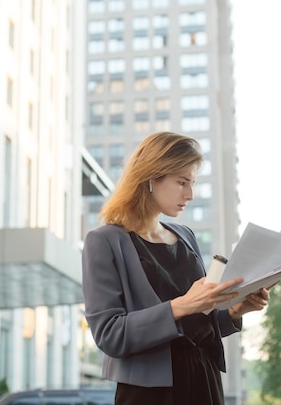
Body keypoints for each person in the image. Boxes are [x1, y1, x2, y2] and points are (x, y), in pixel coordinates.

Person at [81, 131, 270, 405]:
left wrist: (233, 311)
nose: (190, 195)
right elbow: (110, 335)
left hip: (205, 379)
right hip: (149, 394)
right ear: (150, 177)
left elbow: (198, 323)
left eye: (192, 184)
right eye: (182, 183)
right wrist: (181, 305)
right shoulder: (105, 241)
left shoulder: (185, 236)